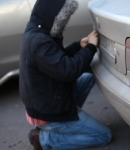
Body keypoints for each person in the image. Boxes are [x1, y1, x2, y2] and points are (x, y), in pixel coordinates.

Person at [19, 0, 112, 149]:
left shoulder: (36, 32)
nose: (64, 23)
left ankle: (69, 120)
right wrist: (90, 47)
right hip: (48, 113)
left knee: (86, 78)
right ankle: (44, 139)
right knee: (103, 135)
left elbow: (56, 61)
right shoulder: (40, 42)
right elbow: (69, 71)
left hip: (45, 102)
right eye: (62, 18)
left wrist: (78, 46)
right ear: (53, 15)